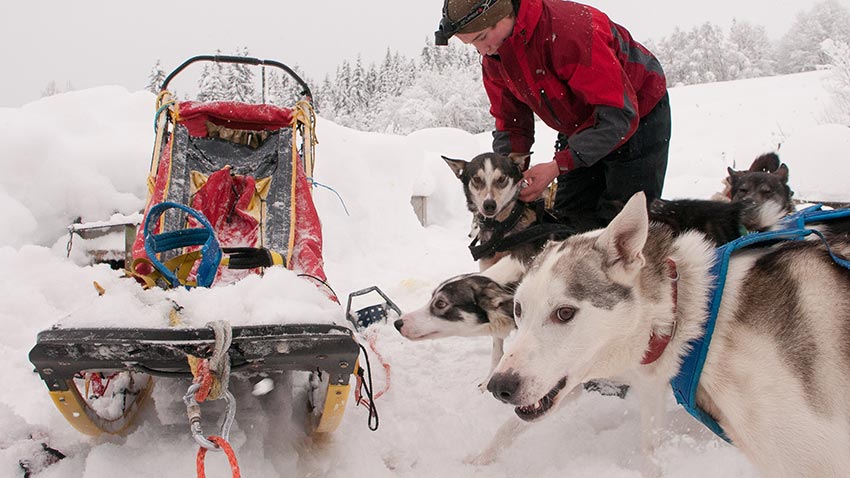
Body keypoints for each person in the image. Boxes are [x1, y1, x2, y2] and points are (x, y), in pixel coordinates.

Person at [435, 0, 671, 231]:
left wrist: (558, 166)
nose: (482, 51)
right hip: (579, 124)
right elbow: (512, 123)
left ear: (503, 15)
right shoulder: (495, 58)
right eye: (473, 45)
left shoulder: (569, 33)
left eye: (481, 37)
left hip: (637, 115)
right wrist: (509, 175)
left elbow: (619, 115)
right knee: (568, 223)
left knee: (623, 224)